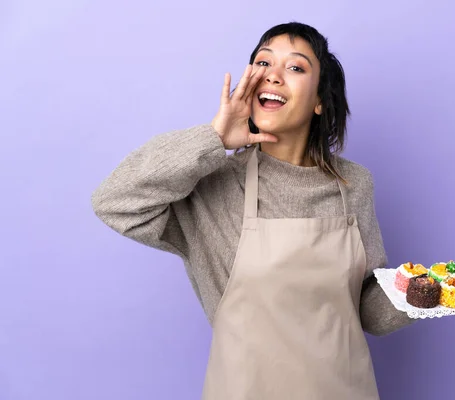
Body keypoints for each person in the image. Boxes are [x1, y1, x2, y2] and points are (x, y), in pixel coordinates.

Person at [91, 22, 415, 400]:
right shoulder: (215, 184)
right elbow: (114, 201)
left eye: (295, 67)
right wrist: (213, 138)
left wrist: (433, 294)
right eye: (263, 63)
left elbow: (367, 310)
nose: (273, 76)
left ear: (319, 101)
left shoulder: (354, 185)